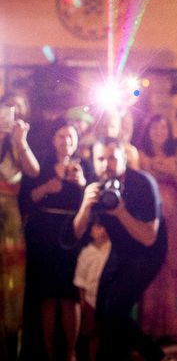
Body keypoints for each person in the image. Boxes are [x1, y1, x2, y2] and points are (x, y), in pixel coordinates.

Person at [69, 138, 167, 361]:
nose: (107, 164)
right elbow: (73, 235)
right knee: (103, 312)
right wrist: (85, 206)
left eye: (112, 157)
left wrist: (121, 213)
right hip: (120, 250)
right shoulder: (97, 185)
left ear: (124, 158)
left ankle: (156, 356)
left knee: (114, 309)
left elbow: (149, 238)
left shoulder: (142, 182)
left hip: (147, 254)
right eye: (100, 159)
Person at [19, 119, 86, 361]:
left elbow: (95, 200)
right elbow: (27, 199)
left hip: (71, 233)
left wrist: (82, 184)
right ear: (53, 139)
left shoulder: (83, 165)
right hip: (44, 233)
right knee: (48, 295)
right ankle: (48, 351)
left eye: (70, 137)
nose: (66, 141)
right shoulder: (42, 165)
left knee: (69, 296)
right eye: (61, 136)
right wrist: (47, 188)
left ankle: (70, 352)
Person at [138, 115, 177, 340]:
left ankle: (172, 324)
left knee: (174, 263)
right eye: (155, 127)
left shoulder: (176, 154)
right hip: (150, 213)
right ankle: (150, 324)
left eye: (163, 127)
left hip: (175, 216)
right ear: (147, 130)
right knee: (153, 264)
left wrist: (173, 174)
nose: (159, 132)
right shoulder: (140, 155)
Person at [0, 99, 39, 361]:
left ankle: (9, 344)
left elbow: (33, 171)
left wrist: (20, 141)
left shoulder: (17, 144)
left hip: (9, 224)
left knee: (11, 285)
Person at [74, 219, 111, 361]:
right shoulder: (86, 253)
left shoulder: (112, 250)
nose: (102, 231)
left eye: (105, 227)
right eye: (98, 227)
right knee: (92, 334)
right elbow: (80, 281)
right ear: (90, 231)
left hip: (108, 301)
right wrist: (83, 304)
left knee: (108, 335)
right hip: (91, 302)